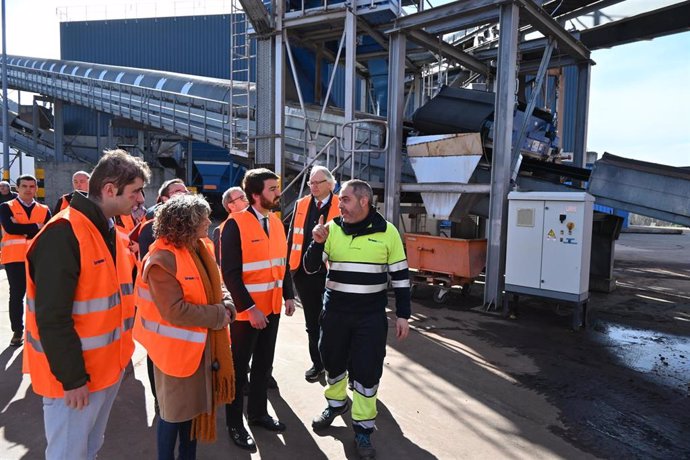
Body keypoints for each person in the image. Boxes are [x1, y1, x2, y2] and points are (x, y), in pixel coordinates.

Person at [24, 149, 150, 460]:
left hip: (107, 369)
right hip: (75, 381)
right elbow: (52, 318)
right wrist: (73, 379)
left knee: (89, 449)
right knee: (68, 454)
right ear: (109, 189)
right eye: (135, 192)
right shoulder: (63, 233)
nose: (140, 200)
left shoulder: (109, 231)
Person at [303, 179, 411, 460]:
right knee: (332, 361)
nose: (340, 206)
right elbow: (311, 267)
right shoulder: (332, 229)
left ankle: (363, 428)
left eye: (345, 200)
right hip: (336, 312)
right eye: (340, 201)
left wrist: (403, 315)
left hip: (370, 316)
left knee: (366, 370)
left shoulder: (388, 233)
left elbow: (400, 278)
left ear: (364, 201)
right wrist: (316, 244)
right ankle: (336, 403)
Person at [133, 194, 235, 460]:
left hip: (200, 350)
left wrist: (226, 302)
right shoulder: (161, 259)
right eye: (203, 218)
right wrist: (218, 315)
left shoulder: (199, 247)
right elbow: (174, 311)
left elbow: (217, 283)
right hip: (174, 356)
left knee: (191, 414)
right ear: (187, 223)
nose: (208, 223)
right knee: (173, 416)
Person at [221, 168, 295, 451]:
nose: (277, 192)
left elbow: (283, 262)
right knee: (239, 372)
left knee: (264, 366)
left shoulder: (277, 223)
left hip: (273, 308)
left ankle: (258, 413)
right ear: (256, 194)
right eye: (272, 188)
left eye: (277, 187)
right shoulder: (234, 224)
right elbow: (230, 273)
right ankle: (235, 424)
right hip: (247, 314)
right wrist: (249, 309)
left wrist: (288, 295)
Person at [286, 166, 340, 382]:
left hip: (332, 273)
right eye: (310, 182)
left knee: (335, 323)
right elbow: (292, 238)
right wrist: (290, 270)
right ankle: (317, 364)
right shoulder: (301, 204)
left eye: (318, 182)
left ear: (330, 184)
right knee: (312, 322)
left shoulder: (342, 204)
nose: (313, 186)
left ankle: (338, 366)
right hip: (304, 273)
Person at [0, 174, 51, 347]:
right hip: (14, 258)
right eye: (24, 186)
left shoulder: (44, 209)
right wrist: (35, 227)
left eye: (32, 186)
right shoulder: (6, 207)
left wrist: (21, 227)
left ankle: (38, 329)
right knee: (17, 294)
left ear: (36, 188)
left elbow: (48, 233)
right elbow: (9, 227)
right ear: (18, 188)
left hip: (39, 258)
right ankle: (17, 331)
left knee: (39, 295)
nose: (28, 189)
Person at [212, 186, 248, 263]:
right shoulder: (220, 230)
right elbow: (222, 264)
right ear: (231, 206)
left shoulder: (257, 223)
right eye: (242, 197)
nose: (247, 200)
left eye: (246, 196)